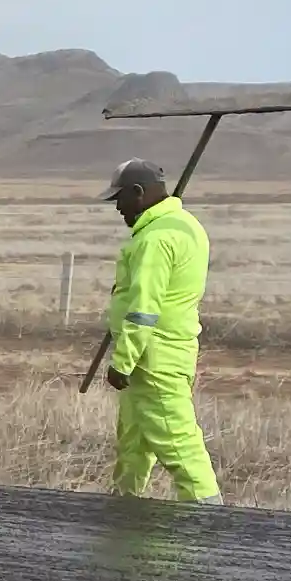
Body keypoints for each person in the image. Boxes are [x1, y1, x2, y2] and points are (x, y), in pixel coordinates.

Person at [100, 157, 220, 500]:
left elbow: (144, 310)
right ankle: (124, 513)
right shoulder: (185, 226)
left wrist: (122, 362)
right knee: (133, 446)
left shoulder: (155, 239)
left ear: (138, 193)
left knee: (180, 448)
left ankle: (210, 520)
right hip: (160, 354)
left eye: (120, 198)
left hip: (154, 360)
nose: (118, 208)